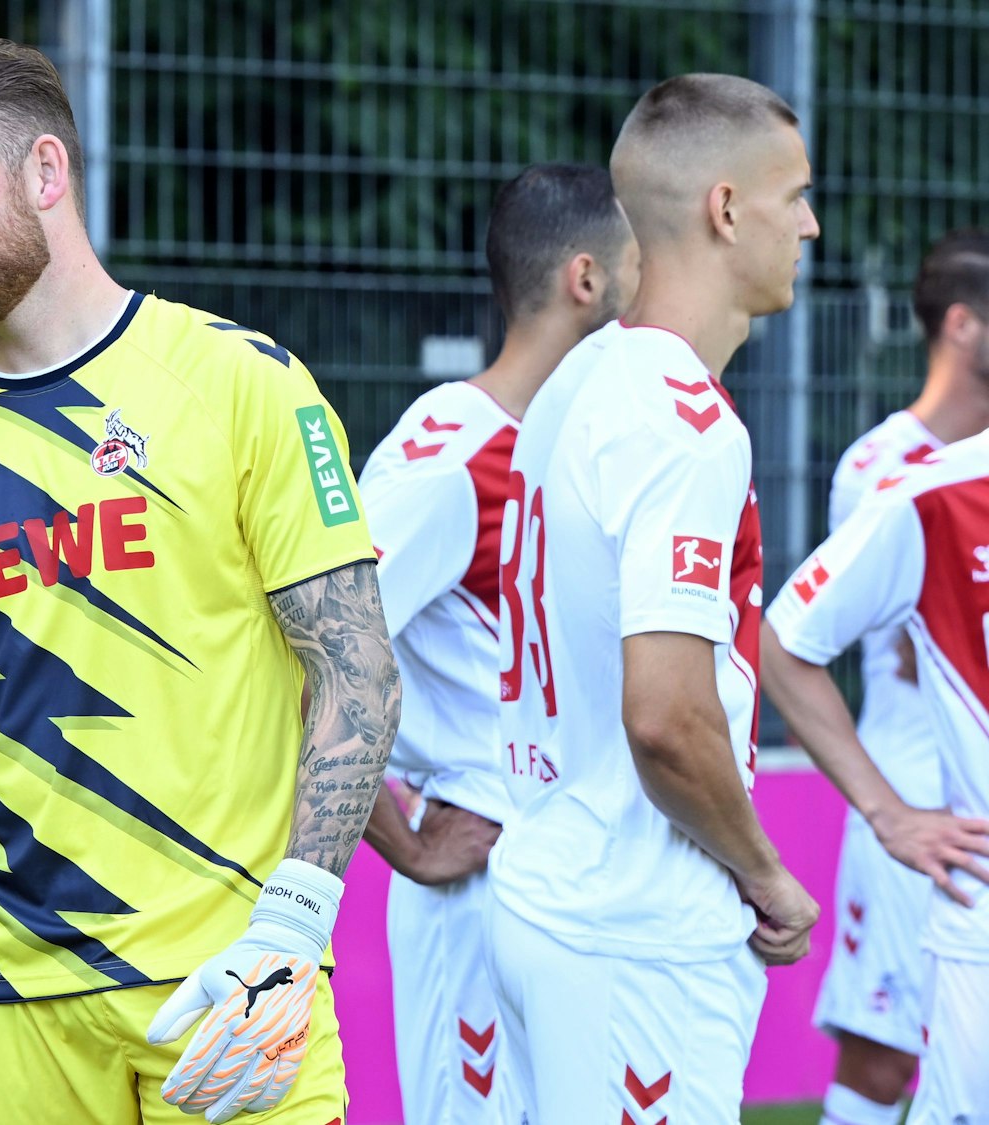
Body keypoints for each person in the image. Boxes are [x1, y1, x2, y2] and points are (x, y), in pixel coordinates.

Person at [0, 38, 398, 1125]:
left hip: (229, 987)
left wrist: (290, 931)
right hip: (1, 1002)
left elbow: (355, 673)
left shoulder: (243, 383)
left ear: (45, 174)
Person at [481, 74, 821, 1122]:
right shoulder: (681, 422)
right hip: (630, 926)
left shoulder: (575, 384)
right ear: (725, 209)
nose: (809, 225)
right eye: (794, 196)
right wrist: (766, 875)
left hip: (551, 889)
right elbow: (663, 718)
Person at [356, 162, 638, 1124]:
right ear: (588, 279)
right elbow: (309, 646)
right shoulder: (449, 447)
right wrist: (406, 843)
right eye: (643, 261)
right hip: (474, 882)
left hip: (572, 872)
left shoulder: (581, 445)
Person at [801, 229, 989, 1125]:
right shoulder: (887, 468)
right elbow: (923, 640)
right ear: (962, 324)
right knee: (883, 1051)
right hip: (913, 789)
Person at [762, 431, 989, 1125]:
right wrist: (889, 811)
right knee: (878, 1057)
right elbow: (784, 642)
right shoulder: (933, 488)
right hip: (969, 896)